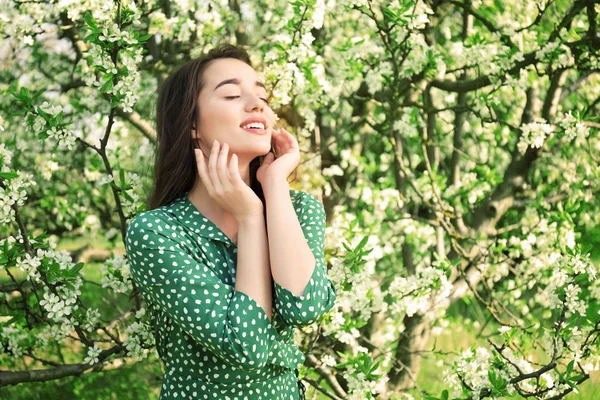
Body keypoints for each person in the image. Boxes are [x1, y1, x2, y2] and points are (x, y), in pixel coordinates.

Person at [125, 43, 337, 400]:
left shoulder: (298, 209)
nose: (257, 104)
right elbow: (248, 346)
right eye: (232, 95)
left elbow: (306, 307)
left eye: (262, 97)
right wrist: (251, 218)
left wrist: (273, 185)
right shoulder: (157, 232)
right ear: (192, 123)